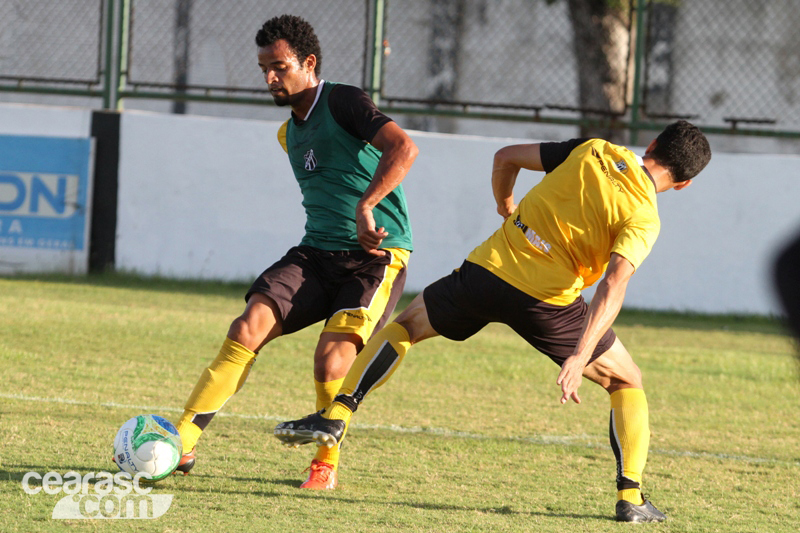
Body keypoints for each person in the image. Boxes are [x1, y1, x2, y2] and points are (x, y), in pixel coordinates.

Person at [275, 120, 712, 521]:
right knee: (626, 380)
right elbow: (613, 286)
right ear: (684, 183)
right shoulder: (644, 216)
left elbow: (505, 158)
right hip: (546, 304)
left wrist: (506, 206)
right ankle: (631, 497)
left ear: (651, 143)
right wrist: (580, 356)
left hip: (486, 272)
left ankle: (338, 413)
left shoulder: (594, 149)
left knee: (407, 326)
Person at [173, 14, 418, 490]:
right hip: (314, 254)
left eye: (279, 67)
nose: (269, 78)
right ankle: (181, 441)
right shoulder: (288, 134)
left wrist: (367, 206)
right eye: (263, 68)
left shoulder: (343, 101)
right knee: (247, 327)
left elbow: (404, 148)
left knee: (331, 362)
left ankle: (325, 462)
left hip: (374, 259)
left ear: (308, 63)